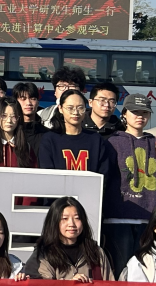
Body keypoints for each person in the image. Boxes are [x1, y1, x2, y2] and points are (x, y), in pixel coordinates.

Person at [104, 92, 156, 274]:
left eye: (144, 112)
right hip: (117, 219)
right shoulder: (112, 142)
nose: (140, 116)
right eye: (135, 112)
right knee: (120, 271)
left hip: (149, 219)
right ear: (124, 114)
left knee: (147, 273)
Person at [37, 89, 121, 218]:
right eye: (70, 108)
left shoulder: (95, 139)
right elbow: (47, 175)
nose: (75, 112)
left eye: (80, 108)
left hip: (88, 207)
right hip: (57, 208)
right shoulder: (49, 139)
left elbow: (104, 175)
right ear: (60, 108)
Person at [23, 196, 114, 281]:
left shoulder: (95, 252)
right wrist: (70, 285)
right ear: (54, 222)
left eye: (77, 218)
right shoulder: (43, 254)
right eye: (65, 218)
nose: (71, 224)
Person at [11, 81, 47, 153]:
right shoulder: (10, 133)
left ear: (38, 102)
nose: (28, 103)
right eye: (23, 99)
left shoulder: (47, 134)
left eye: (32, 99)